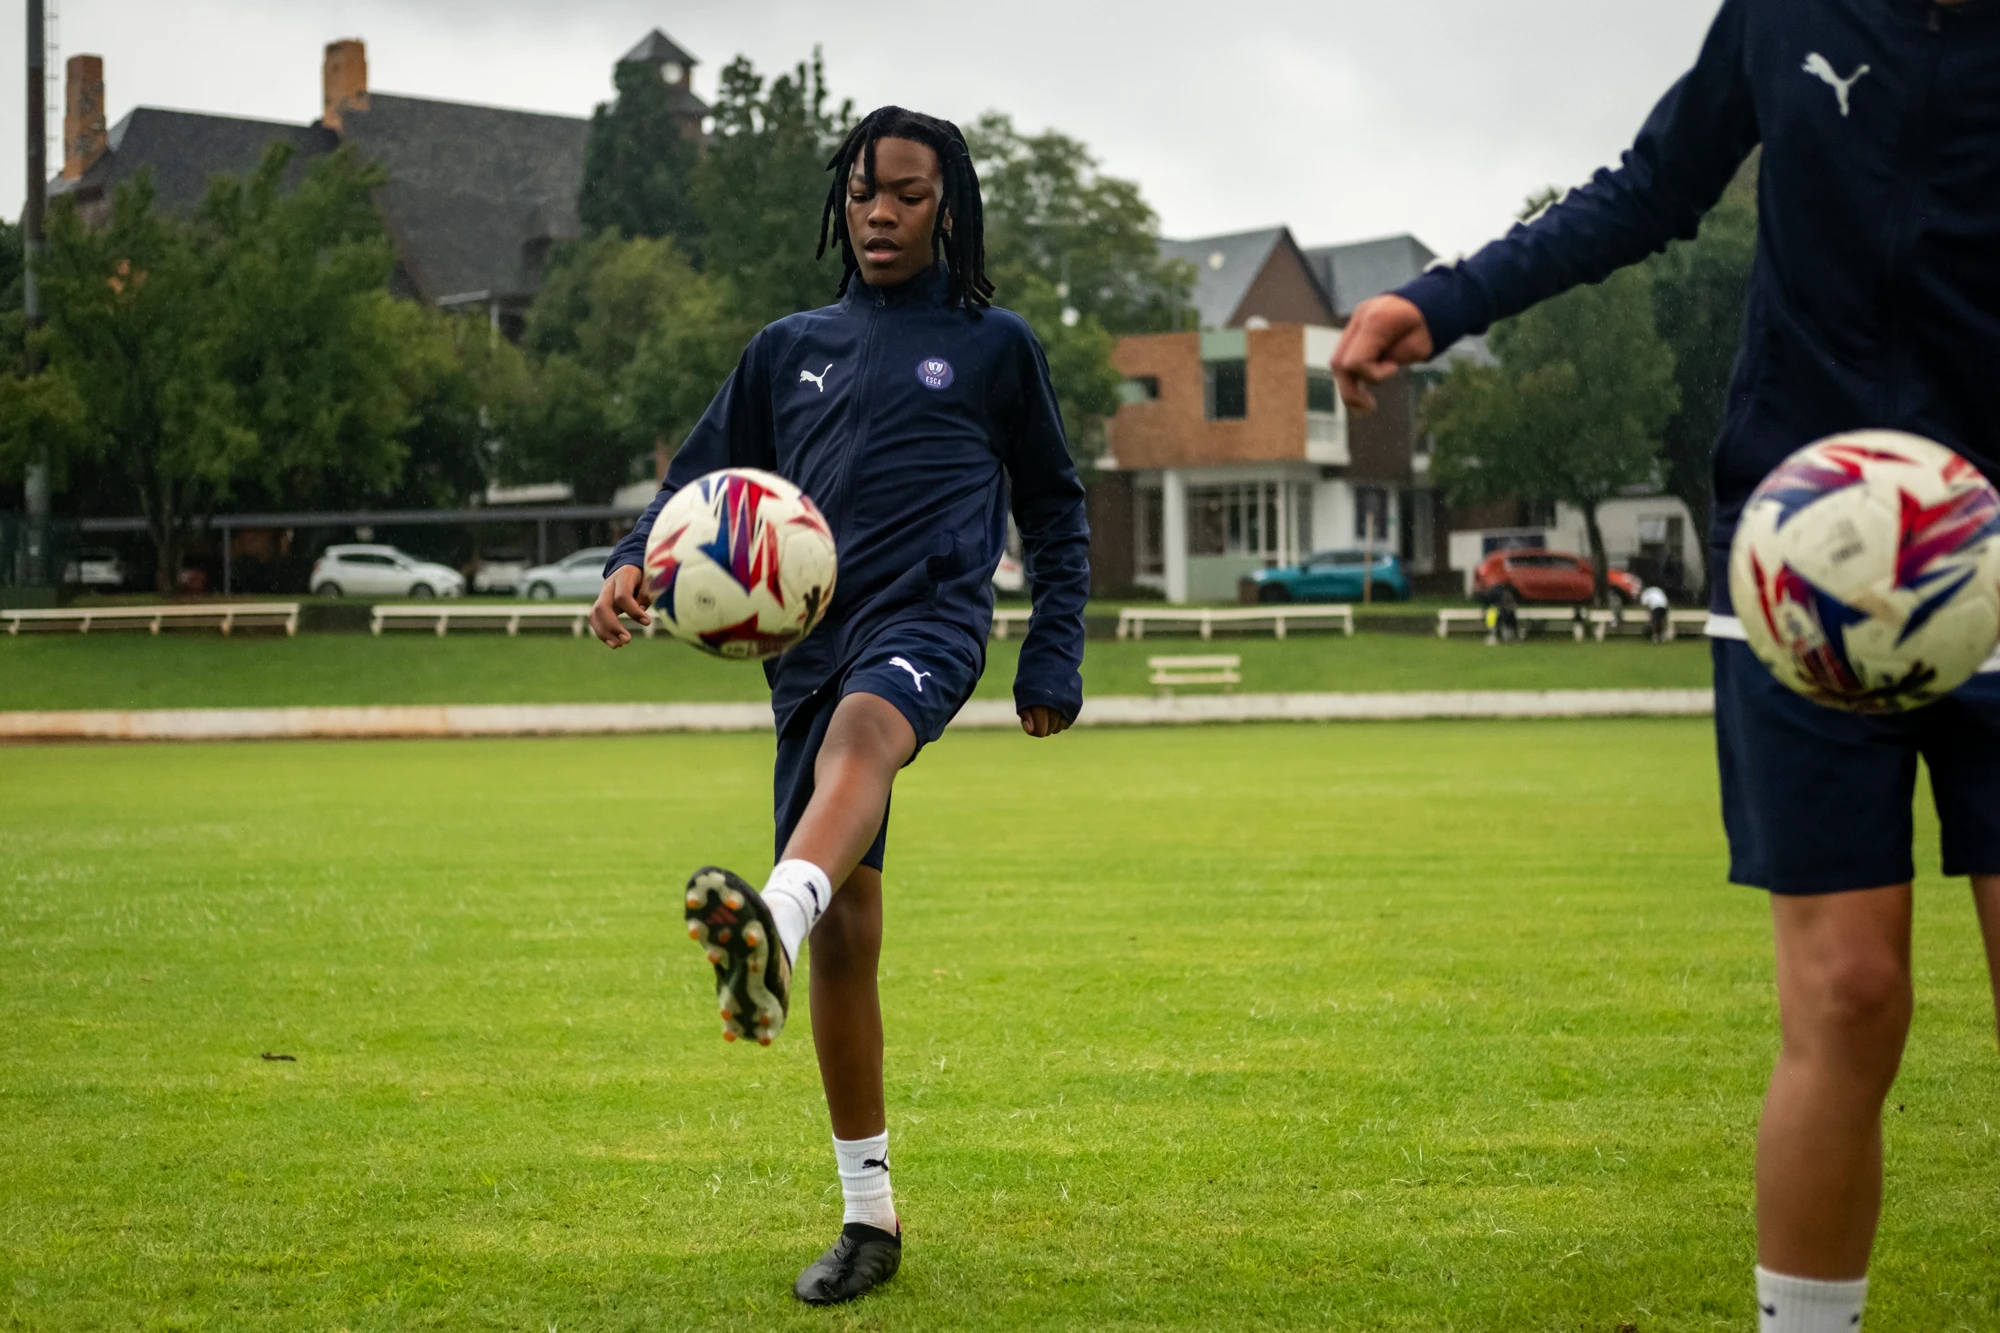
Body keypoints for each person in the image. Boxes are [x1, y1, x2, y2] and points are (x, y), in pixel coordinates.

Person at [1332, 4, 2000, 1330]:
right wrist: (1444, 298)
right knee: (1850, 995)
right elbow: (1650, 189)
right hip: (1797, 554)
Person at [589, 107, 1089, 1307]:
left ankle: (767, 918)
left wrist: (1050, 654)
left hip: (926, 620)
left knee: (869, 734)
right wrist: (629, 561)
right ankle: (868, 1217)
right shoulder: (785, 347)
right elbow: (691, 486)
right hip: (802, 650)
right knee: (852, 933)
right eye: (863, 192)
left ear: (947, 207)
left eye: (906, 195)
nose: (878, 212)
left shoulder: (993, 346)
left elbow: (1056, 507)